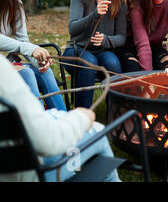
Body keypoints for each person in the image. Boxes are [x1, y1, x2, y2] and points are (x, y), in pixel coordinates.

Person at [0, 54, 120, 182]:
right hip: (32, 174)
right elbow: (48, 142)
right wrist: (81, 117)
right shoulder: (3, 71)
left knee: (55, 113)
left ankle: (72, 169)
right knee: (98, 131)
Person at [0, 0, 66, 111]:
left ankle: (62, 118)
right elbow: (23, 46)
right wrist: (29, 49)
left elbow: (23, 40)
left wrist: (39, 62)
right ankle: (38, 126)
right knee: (27, 73)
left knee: (44, 72)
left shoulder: (17, 4)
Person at [63, 0, 128, 108]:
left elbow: (122, 37)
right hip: (76, 50)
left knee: (113, 64)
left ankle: (114, 116)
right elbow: (73, 29)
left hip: (103, 50)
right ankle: (82, 115)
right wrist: (95, 14)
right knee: (89, 63)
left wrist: (106, 40)